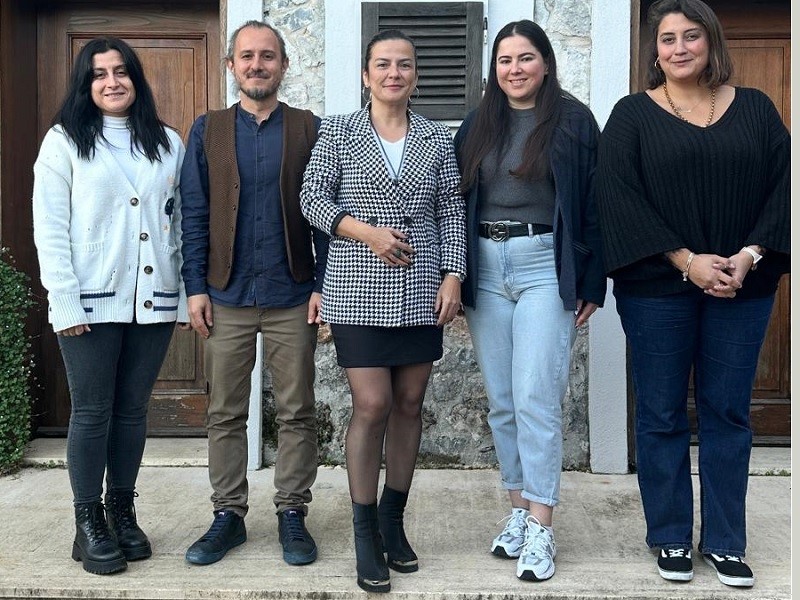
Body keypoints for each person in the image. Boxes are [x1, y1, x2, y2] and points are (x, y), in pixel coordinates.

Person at [596, 0, 789, 589]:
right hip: (657, 289)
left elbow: (785, 188)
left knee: (728, 412)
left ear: (711, 43)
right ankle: (671, 536)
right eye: (667, 38)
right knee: (660, 413)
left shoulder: (756, 108)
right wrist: (686, 261)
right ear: (654, 51)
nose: (679, 47)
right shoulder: (631, 115)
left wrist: (749, 256)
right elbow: (617, 196)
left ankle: (726, 542)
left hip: (741, 287)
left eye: (691, 36)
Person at [300, 29, 466, 593]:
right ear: (366, 74)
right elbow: (311, 199)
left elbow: (452, 211)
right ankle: (365, 530)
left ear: (416, 75)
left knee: (410, 403)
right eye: (383, 64)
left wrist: (453, 274)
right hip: (356, 287)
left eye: (405, 65)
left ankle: (394, 521)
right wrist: (365, 232)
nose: (394, 73)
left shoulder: (437, 138)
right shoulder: (339, 132)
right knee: (372, 404)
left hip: (422, 287)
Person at [453, 20, 605, 583]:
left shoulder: (574, 121)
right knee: (503, 400)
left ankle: (542, 523)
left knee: (537, 397)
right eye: (504, 60)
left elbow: (596, 202)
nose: (514, 69)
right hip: (486, 266)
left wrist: (592, 280)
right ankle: (518, 507)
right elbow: (454, 202)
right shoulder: (476, 124)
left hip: (545, 264)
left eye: (525, 58)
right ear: (494, 68)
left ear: (545, 63)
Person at [32, 37, 187, 575]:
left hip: (153, 300)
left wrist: (182, 295)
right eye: (99, 74)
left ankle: (122, 511)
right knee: (93, 411)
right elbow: (50, 228)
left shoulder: (167, 142)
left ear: (136, 79)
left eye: (121, 71)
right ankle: (88, 522)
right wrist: (64, 300)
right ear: (86, 83)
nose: (112, 82)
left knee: (132, 410)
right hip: (89, 302)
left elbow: (178, 222)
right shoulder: (64, 141)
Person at [179, 21, 327, 567]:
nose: (256, 65)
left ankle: (292, 512)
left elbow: (324, 213)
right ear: (231, 66)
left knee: (296, 410)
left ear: (283, 65)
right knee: (224, 411)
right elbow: (194, 212)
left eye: (267, 56)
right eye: (246, 56)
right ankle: (228, 515)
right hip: (226, 294)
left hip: (293, 292)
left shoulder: (310, 128)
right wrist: (195, 287)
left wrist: (324, 287)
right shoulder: (208, 129)